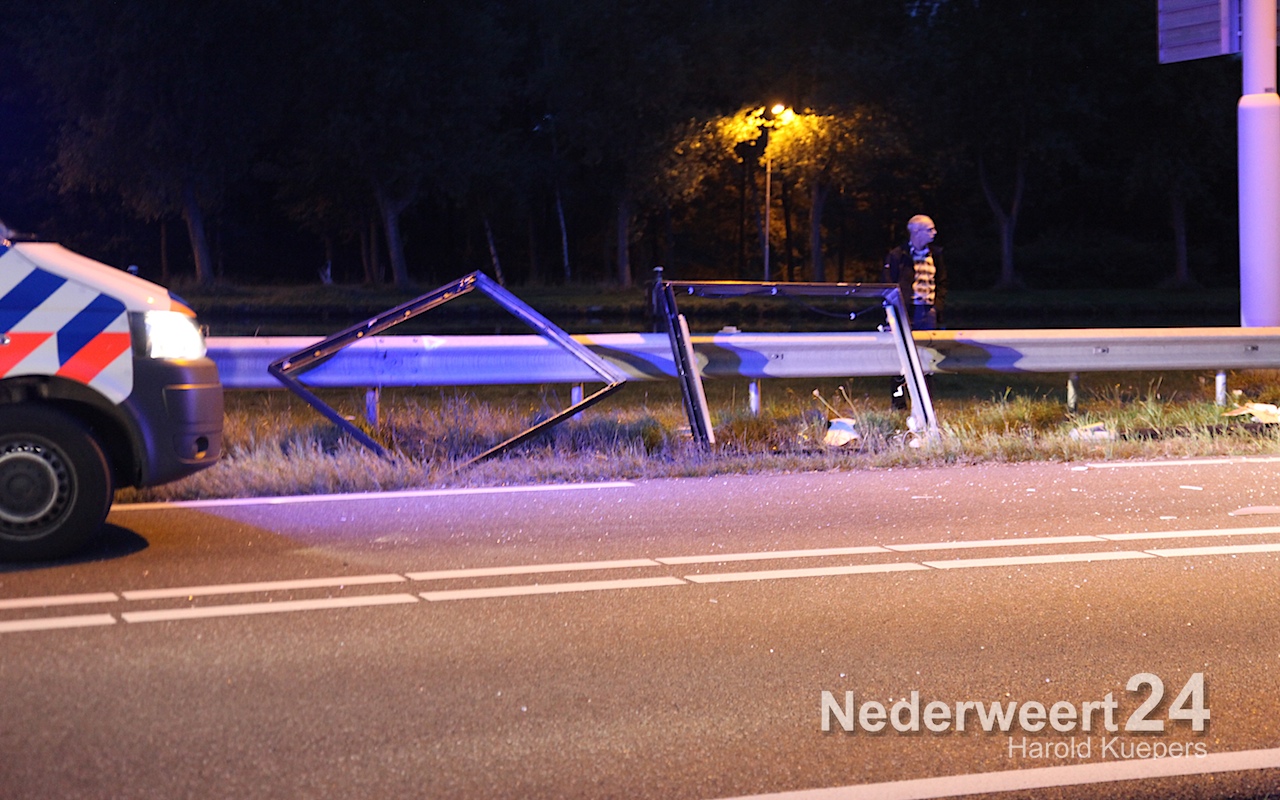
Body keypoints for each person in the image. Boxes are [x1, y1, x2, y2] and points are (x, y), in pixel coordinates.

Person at [883, 214, 945, 409]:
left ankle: (926, 404)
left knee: (927, 357)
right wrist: (893, 313)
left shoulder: (935, 255)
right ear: (916, 232)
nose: (934, 233)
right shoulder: (898, 255)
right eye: (930, 229)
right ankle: (898, 403)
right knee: (900, 357)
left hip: (928, 311)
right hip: (906, 311)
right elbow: (889, 285)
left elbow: (942, 282)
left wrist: (937, 306)